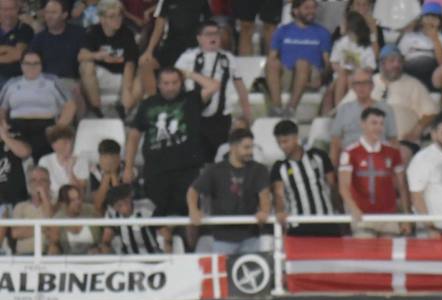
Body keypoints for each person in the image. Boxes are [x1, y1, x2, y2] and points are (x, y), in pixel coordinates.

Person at [125, 67, 208, 218]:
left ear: (181, 82)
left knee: (190, 214)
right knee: (157, 217)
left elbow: (213, 86)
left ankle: (188, 243)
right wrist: (128, 166)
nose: (170, 87)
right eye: (166, 83)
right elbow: (134, 135)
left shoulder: (191, 99)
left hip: (187, 169)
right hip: (155, 170)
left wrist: (189, 73)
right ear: (158, 84)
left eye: (175, 82)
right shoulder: (147, 104)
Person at [175, 21, 251, 163]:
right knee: (196, 158)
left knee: (219, 158)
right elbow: (175, 80)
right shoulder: (187, 57)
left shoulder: (228, 58)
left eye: (216, 33)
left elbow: (240, 86)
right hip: (195, 116)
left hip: (221, 118)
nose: (213, 37)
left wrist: (247, 114)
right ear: (199, 38)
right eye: (208, 34)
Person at [188, 126, 272, 254]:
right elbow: (193, 191)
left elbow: (264, 195)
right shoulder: (214, 170)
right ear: (233, 147)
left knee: (253, 271)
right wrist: (193, 210)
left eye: (251, 147)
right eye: (246, 147)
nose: (251, 152)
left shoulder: (259, 169)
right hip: (223, 238)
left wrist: (265, 211)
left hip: (251, 237)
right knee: (222, 273)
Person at [339, 106, 410, 235]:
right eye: (374, 123)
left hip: (388, 217)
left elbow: (402, 186)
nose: (378, 127)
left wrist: (406, 217)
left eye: (381, 124)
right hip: (362, 216)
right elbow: (344, 186)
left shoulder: (393, 152)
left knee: (388, 254)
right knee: (365, 254)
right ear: (363, 124)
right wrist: (354, 209)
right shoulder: (350, 153)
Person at [0, 49, 76, 160]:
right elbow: (1, 108)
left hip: (45, 127)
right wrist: (3, 126)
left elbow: (70, 105)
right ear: (21, 65)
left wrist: (58, 127)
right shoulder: (11, 83)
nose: (32, 67)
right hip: (17, 127)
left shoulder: (53, 81)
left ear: (41, 65)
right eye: (27, 63)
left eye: (36, 63)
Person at [271, 119, 340, 234]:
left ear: (296, 137)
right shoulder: (279, 167)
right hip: (298, 225)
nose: (283, 146)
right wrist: (280, 212)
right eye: (279, 143)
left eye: (286, 141)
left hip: (326, 220)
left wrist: (339, 212)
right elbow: (279, 195)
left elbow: (333, 185)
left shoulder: (318, 156)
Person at [266, 0, 332, 118]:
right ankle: (277, 108)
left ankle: (291, 109)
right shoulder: (282, 31)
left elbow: (327, 63)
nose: (311, 11)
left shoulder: (322, 32)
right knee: (272, 63)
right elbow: (272, 57)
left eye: (313, 8)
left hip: (311, 75)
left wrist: (322, 79)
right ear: (295, 11)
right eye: (307, 8)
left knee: (302, 62)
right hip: (287, 74)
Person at [78, 0, 139, 117]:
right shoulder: (93, 31)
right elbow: (81, 56)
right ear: (102, 19)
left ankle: (125, 110)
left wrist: (126, 92)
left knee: (142, 73)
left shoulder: (127, 33)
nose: (117, 19)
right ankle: (97, 109)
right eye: (112, 16)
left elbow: (130, 65)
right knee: (86, 65)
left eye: (119, 15)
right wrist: (98, 55)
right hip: (102, 75)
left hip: (122, 75)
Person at [397, 4, 442, 117]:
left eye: (434, 17)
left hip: (432, 75)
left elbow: (441, 62)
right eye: (428, 17)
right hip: (411, 73)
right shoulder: (409, 36)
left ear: (440, 21)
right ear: (422, 19)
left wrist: (435, 39)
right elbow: (400, 59)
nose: (430, 20)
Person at [140, 0, 212, 96]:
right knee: (145, 62)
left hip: (192, 49)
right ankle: (154, 103)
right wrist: (149, 50)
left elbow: (207, 26)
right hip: (170, 47)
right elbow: (159, 27)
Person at [329, 68, 398, 161]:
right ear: (353, 87)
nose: (361, 87)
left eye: (365, 83)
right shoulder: (344, 109)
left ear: (372, 86)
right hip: (351, 160)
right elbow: (335, 142)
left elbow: (393, 140)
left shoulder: (386, 109)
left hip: (379, 159)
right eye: (357, 83)